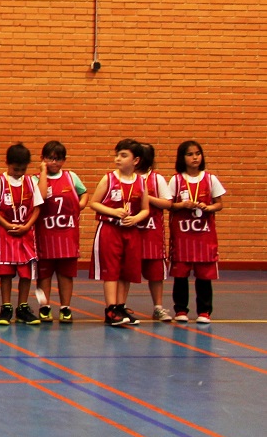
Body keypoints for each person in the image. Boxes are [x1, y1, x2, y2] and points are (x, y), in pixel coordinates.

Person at [87, 139, 150, 327]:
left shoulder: (140, 182)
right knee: (111, 271)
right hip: (110, 229)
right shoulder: (109, 179)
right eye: (117, 155)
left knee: (126, 270)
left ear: (136, 160)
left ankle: (121, 306)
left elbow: (145, 209)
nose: (118, 159)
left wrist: (136, 218)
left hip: (131, 231)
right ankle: (111, 308)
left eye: (123, 155)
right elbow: (94, 203)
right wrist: (114, 212)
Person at [169, 140, 225, 324]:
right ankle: (180, 310)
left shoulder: (210, 179)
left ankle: (204, 311)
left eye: (197, 153)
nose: (195, 157)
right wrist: (182, 205)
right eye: (190, 154)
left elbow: (219, 204)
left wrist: (208, 207)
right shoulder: (176, 180)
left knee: (204, 276)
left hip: (204, 235)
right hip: (183, 236)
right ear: (182, 158)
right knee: (180, 275)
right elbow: (169, 205)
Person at [0, 143, 42, 325]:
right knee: (6, 272)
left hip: (25, 231)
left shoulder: (30, 181)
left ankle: (23, 307)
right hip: (5, 232)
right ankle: (6, 307)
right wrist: (6, 224)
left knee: (26, 272)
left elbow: (37, 208)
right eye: (15, 169)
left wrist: (27, 226)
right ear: (7, 163)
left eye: (22, 169)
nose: (19, 172)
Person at [34, 140, 86, 324]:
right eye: (50, 158)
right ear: (42, 159)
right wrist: (43, 172)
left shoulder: (71, 177)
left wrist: (79, 206)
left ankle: (65, 308)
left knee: (66, 275)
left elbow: (84, 193)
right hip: (45, 236)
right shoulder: (35, 178)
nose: (54, 162)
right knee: (45, 274)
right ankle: (44, 307)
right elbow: (39, 197)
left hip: (67, 235)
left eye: (58, 159)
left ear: (64, 160)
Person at [135, 143, 175, 322]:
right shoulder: (124, 177)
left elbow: (168, 203)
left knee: (156, 274)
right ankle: (118, 306)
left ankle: (158, 307)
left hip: (152, 234)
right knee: (124, 273)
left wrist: (147, 197)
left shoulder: (156, 179)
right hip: (130, 232)